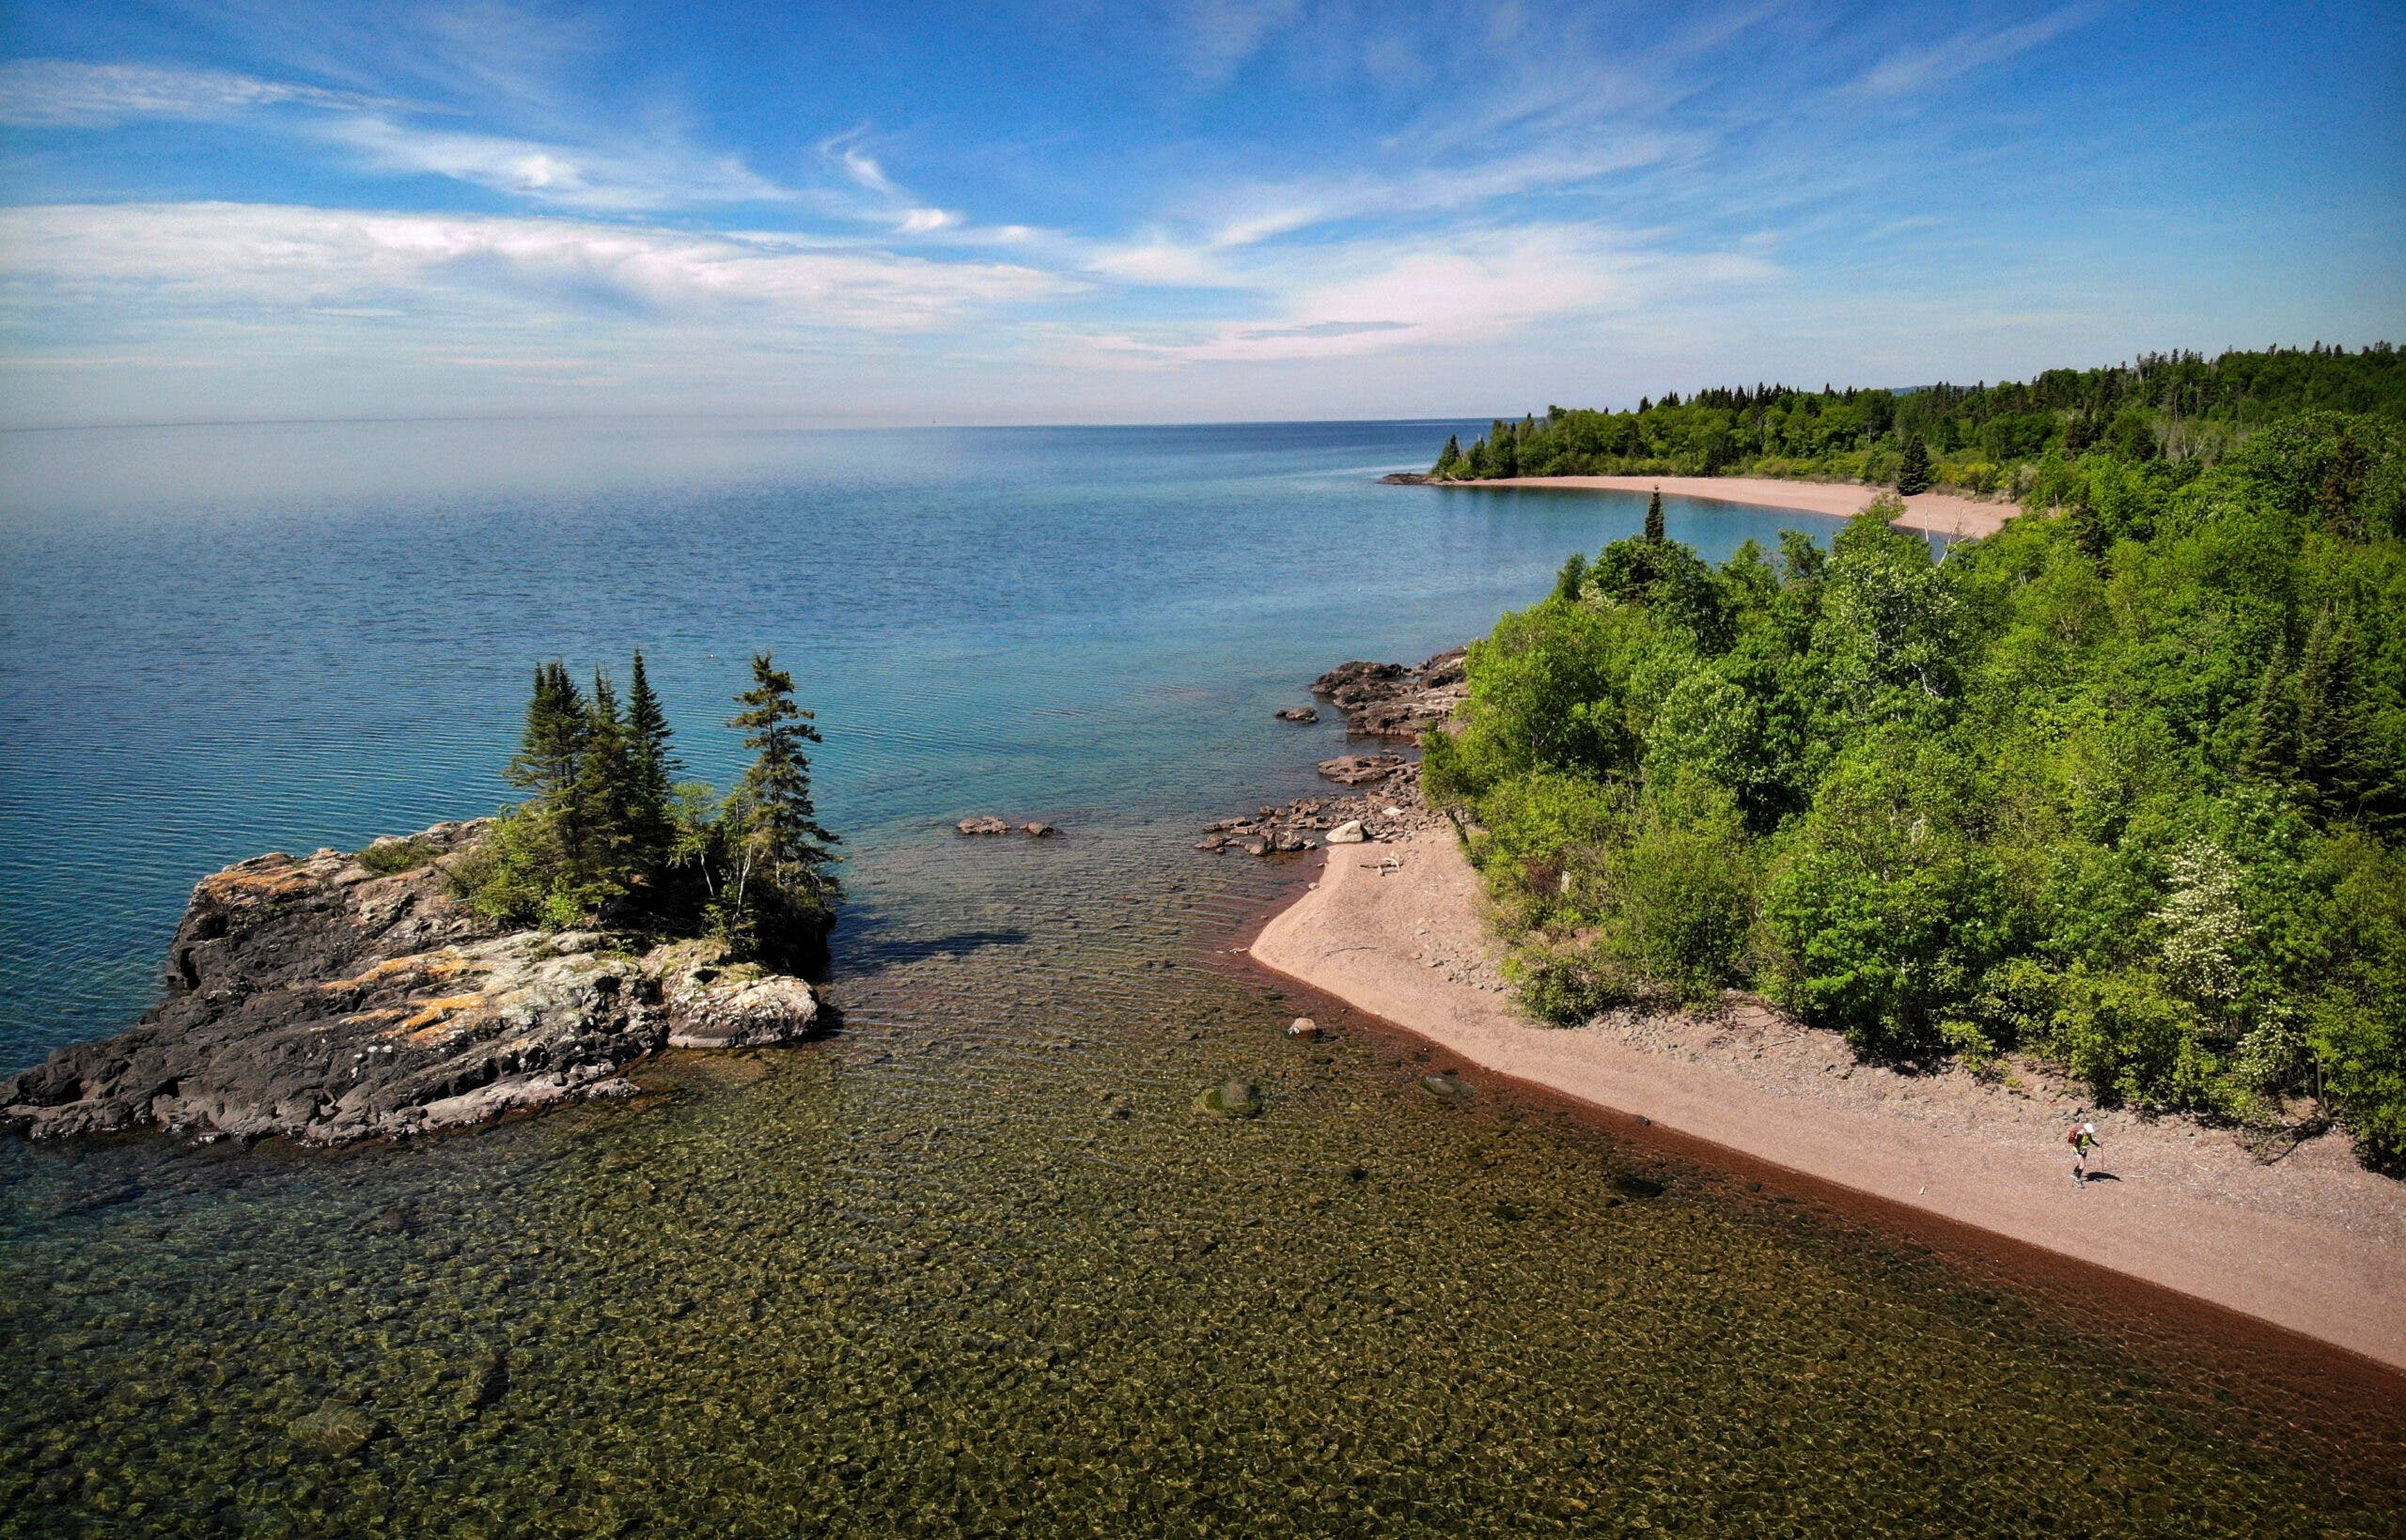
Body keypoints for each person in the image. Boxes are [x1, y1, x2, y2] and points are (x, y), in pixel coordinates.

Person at [2067, 1116, 2099, 1185]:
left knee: (2081, 1163)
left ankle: (2074, 1173)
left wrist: (2098, 1145)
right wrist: (2079, 1152)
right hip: (2078, 1149)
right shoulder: (2080, 1134)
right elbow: (2076, 1143)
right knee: (2082, 1165)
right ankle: (2077, 1180)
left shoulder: (2087, 1133)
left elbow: (2090, 1140)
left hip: (2083, 1149)